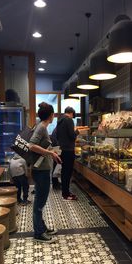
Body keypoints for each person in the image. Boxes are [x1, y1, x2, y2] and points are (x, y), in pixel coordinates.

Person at [29, 102, 61, 243]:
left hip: (42, 169)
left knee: (41, 201)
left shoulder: (41, 126)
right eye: (53, 114)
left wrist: (51, 152)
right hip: (41, 171)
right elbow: (31, 145)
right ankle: (38, 233)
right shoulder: (41, 127)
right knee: (39, 202)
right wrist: (50, 153)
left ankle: (41, 228)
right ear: (51, 115)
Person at [56, 106, 79, 201]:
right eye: (73, 116)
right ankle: (66, 194)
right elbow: (72, 136)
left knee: (64, 171)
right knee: (68, 172)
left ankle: (65, 192)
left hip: (62, 150)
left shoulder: (59, 121)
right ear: (71, 113)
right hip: (69, 150)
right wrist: (77, 132)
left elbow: (57, 135)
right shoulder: (69, 120)